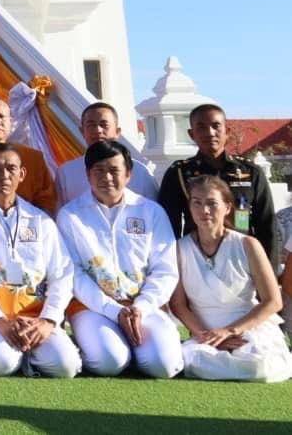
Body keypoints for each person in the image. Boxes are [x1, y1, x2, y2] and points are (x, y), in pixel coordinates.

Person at [56, 139, 183, 378]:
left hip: (143, 305)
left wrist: (140, 307)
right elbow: (74, 274)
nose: (107, 178)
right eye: (99, 171)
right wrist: (114, 311)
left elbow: (165, 270)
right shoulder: (70, 216)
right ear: (87, 174)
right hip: (91, 306)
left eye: (114, 170)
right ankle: (113, 349)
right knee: (109, 362)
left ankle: (138, 350)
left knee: (163, 366)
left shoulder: (151, 211)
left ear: (128, 174)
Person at [0, 143, 81, 377]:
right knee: (3, 364)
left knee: (66, 367)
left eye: (11, 168)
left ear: (22, 174)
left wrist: (48, 320)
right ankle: (23, 356)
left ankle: (31, 352)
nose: (4, 175)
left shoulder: (41, 220)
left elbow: (61, 274)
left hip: (35, 315)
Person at [169, 176, 292, 382]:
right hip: (204, 333)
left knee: (259, 366)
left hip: (248, 329)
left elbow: (273, 301)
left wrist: (230, 331)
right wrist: (206, 336)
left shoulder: (248, 244)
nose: (204, 211)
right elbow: (178, 303)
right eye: (197, 203)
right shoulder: (179, 249)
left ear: (227, 207)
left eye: (211, 203)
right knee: (186, 359)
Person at [156, 104, 275, 259]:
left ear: (227, 131)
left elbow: (267, 224)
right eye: (201, 127)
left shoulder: (250, 172)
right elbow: (170, 226)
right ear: (192, 134)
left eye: (216, 126)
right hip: (197, 257)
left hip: (242, 256)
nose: (210, 133)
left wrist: (270, 270)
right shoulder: (179, 173)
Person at [56, 102, 158, 204]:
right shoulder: (66, 173)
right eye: (91, 125)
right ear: (82, 131)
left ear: (117, 131)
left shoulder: (141, 172)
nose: (98, 130)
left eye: (104, 125)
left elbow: (153, 211)